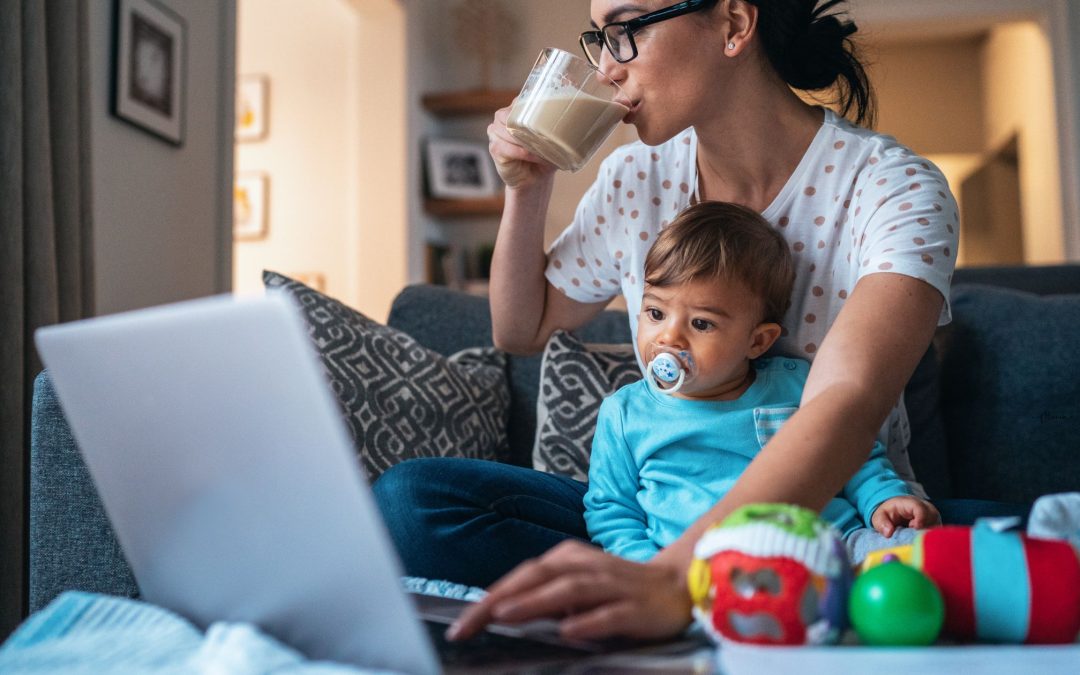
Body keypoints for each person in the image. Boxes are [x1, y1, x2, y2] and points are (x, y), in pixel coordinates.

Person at [374, 0, 1021, 642]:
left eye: (625, 32)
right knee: (412, 501)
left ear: (734, 25)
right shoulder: (635, 177)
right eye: (598, 39)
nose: (605, 70)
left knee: (1019, 544)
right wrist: (527, 185)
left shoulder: (893, 187)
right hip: (661, 521)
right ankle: (667, 595)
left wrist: (679, 579)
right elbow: (521, 329)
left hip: (833, 520)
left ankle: (692, 598)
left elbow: (844, 401)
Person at [584, 201, 938, 566]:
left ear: (758, 342)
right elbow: (612, 512)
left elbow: (853, 458)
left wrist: (884, 499)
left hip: (832, 549)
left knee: (919, 555)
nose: (669, 337)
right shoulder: (624, 414)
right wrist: (647, 572)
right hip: (699, 572)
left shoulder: (798, 385)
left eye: (701, 324)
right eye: (656, 313)